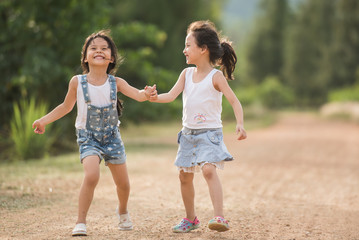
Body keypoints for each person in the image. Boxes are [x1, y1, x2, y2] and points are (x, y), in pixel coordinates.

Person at [32, 30, 157, 236]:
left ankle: (123, 211)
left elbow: (138, 94)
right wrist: (43, 120)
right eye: (93, 48)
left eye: (104, 48)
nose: (99, 51)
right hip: (88, 137)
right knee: (91, 175)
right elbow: (65, 106)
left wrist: (148, 94)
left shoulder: (116, 83)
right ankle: (81, 222)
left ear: (112, 58)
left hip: (112, 138)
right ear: (85, 57)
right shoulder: (77, 82)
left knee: (124, 185)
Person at [148, 20, 247, 233]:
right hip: (188, 134)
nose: (184, 50)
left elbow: (234, 101)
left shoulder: (216, 76)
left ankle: (219, 217)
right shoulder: (186, 75)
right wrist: (155, 97)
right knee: (184, 176)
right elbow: (171, 96)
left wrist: (240, 123)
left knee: (209, 170)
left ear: (203, 49)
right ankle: (191, 219)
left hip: (210, 134)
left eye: (188, 45)